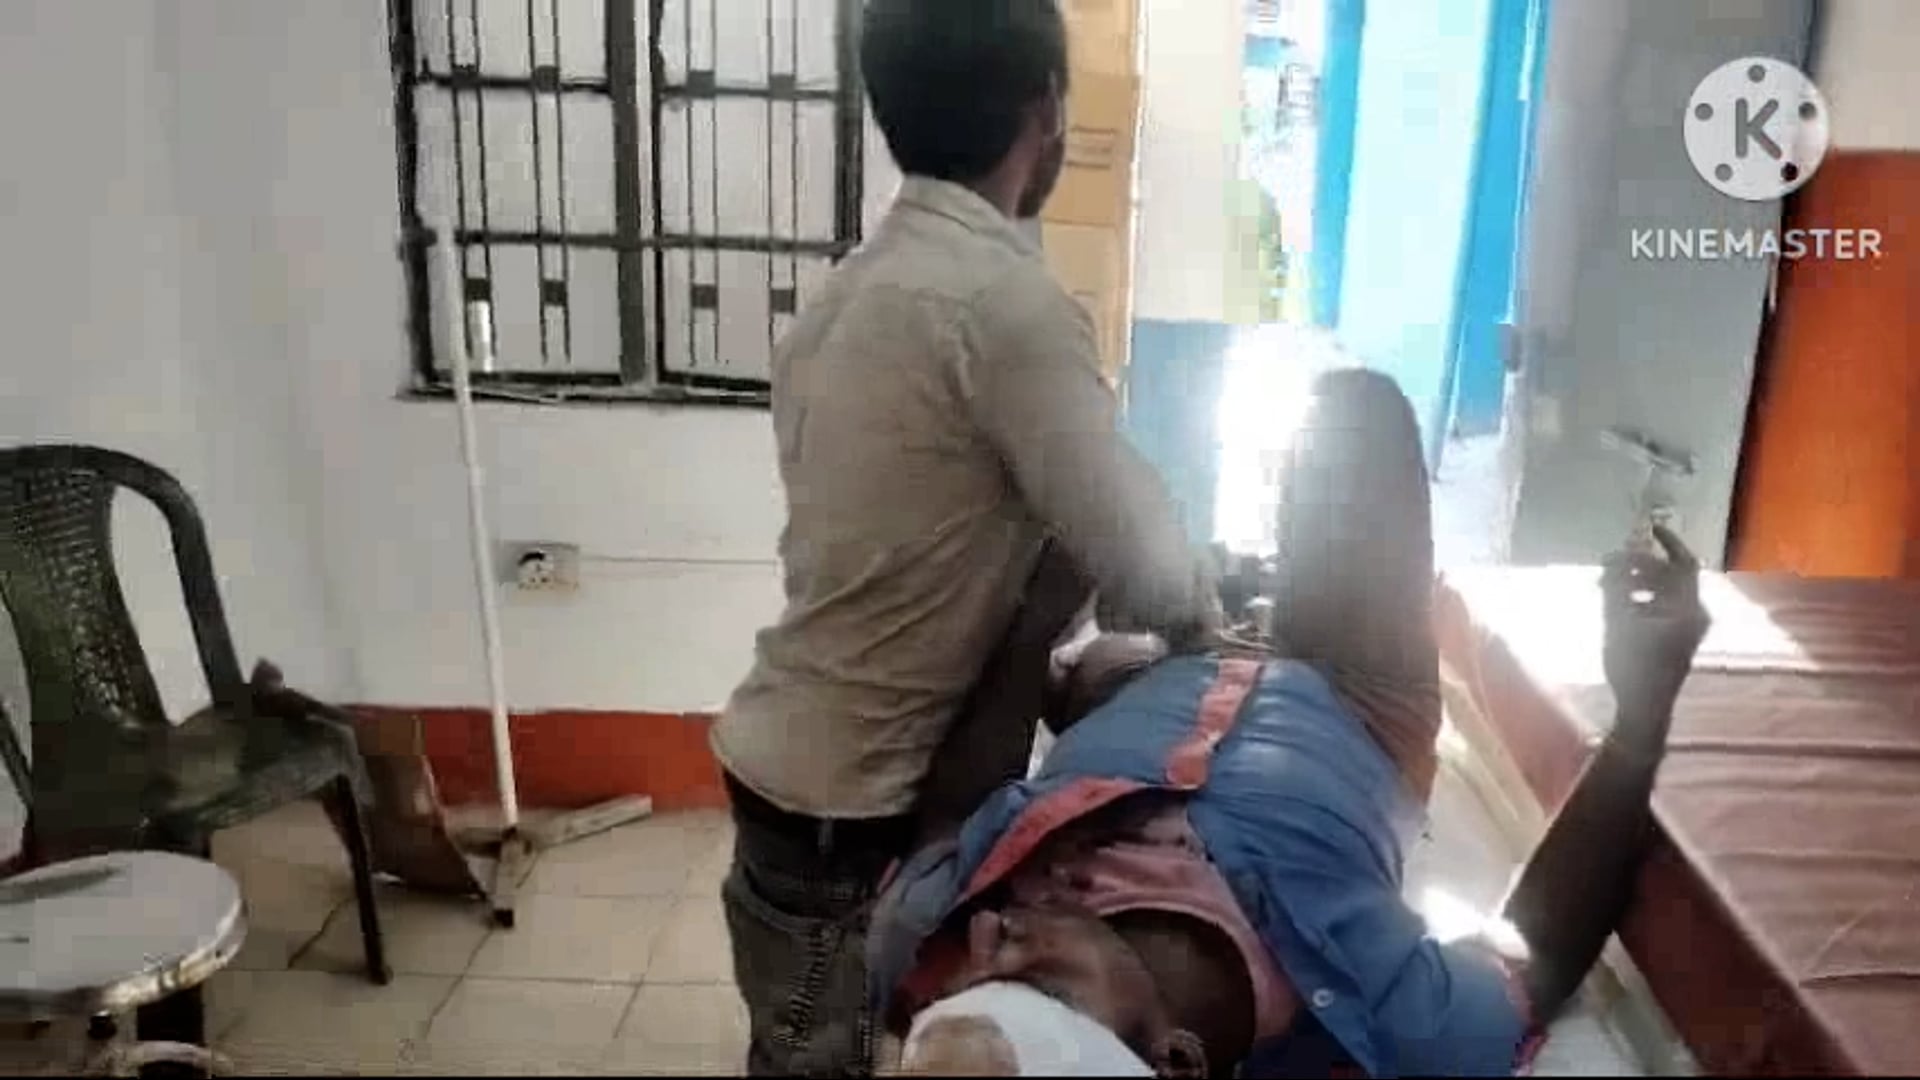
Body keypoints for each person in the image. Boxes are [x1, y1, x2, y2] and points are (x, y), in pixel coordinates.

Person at [870, 369, 1714, 1077]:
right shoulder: (1386, 1021)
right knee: (1352, 413)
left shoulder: (922, 943)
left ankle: (1224, 606)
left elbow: (952, 811)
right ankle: (1248, 601)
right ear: (1175, 1059)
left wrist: (1028, 610)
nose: (988, 932)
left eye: (967, 984)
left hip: (1139, 687)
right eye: (1031, 984)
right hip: (1354, 696)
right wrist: (1645, 713)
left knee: (1095, 641)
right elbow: (1536, 949)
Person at [710, 1, 1221, 1074]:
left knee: (806, 1048)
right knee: (826, 1057)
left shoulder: (843, 298)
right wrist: (1209, 631)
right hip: (847, 816)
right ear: (1047, 109)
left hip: (791, 770)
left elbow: (924, 551)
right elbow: (1153, 566)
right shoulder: (1003, 307)